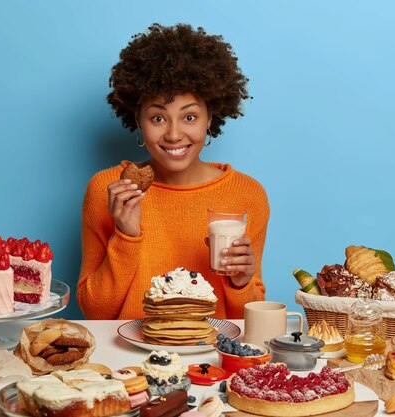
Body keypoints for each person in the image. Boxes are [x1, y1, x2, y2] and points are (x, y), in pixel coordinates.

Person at [77, 23, 270, 320]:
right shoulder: (109, 189)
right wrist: (127, 235)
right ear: (138, 121)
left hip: (211, 360)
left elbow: (246, 324)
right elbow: (95, 313)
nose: (174, 134)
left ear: (210, 118)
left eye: (189, 116)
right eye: (158, 118)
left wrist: (241, 282)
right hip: (128, 362)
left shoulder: (246, 195)